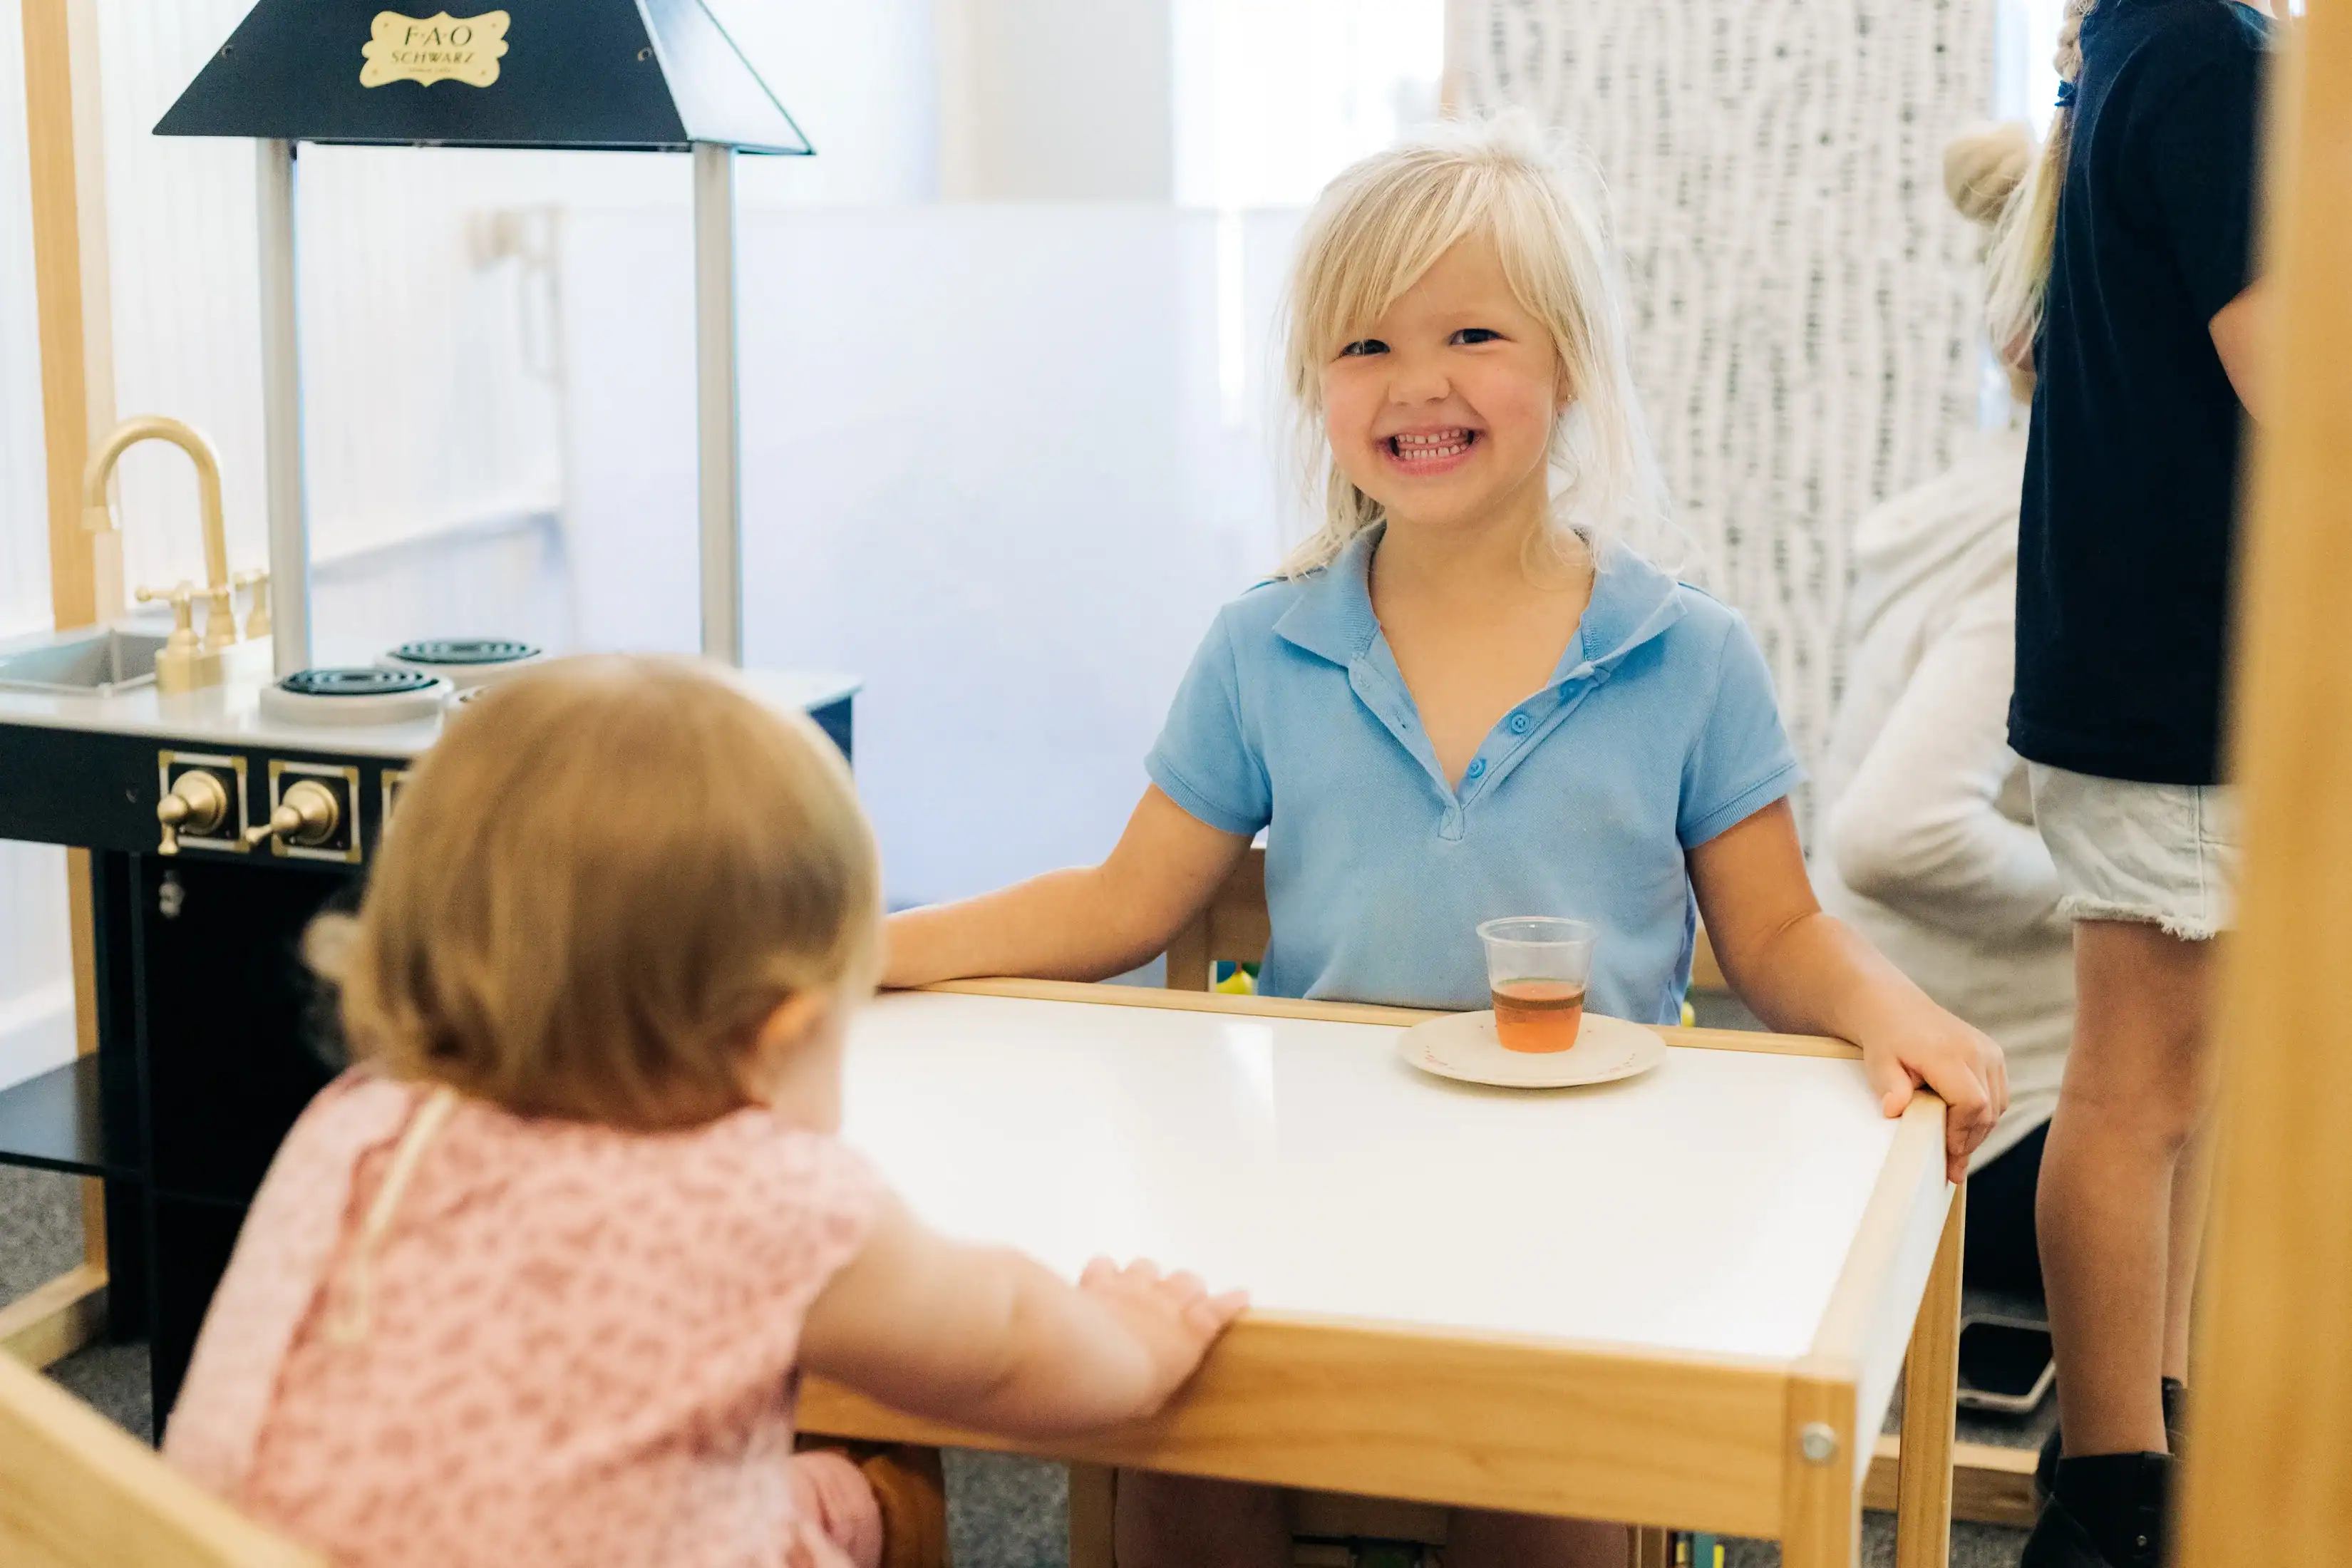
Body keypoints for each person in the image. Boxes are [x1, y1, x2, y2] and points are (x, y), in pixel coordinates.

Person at [884, 113, 2007, 1568]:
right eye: (1363, 347)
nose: (1417, 382)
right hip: (1311, 1198)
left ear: (1570, 366)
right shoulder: (1264, 644)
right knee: (1176, 1437)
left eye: (1472, 333)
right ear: (1314, 387)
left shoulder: (1690, 655)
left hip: (1594, 1198)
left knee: (1555, 1477)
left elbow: (1778, 936)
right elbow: (1121, 900)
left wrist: (1892, 1008)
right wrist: (871, 948)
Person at [162, 656, 1245, 1568]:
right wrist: (1136, 1349)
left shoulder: (363, 1124)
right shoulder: (766, 1199)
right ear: (778, 1036)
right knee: (854, 1486)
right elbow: (1005, 1340)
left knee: (795, 1487)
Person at [1985, 1, 2275, 1564]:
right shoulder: (2207, 58)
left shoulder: (2159, 45)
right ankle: (2104, 1492)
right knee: (2138, 1087)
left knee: (2178, 1089)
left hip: (2166, 661)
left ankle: (2149, 1439)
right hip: (2178, 673)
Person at [1815, 123, 2074, 1303]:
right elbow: (1895, 831)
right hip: (1999, 1116)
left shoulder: (1990, 492)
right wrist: (2114, 903)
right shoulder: (2045, 539)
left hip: (1921, 1095)